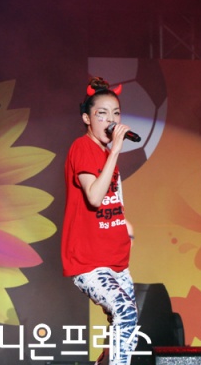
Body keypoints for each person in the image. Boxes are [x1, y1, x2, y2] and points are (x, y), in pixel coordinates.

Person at [61, 77, 138, 365]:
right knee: (125, 313)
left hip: (116, 259)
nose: (111, 120)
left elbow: (111, 200)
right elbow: (94, 196)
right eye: (101, 114)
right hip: (90, 262)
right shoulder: (82, 147)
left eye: (116, 113)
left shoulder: (105, 154)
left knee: (125, 326)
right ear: (87, 118)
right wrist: (116, 149)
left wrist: (124, 226)